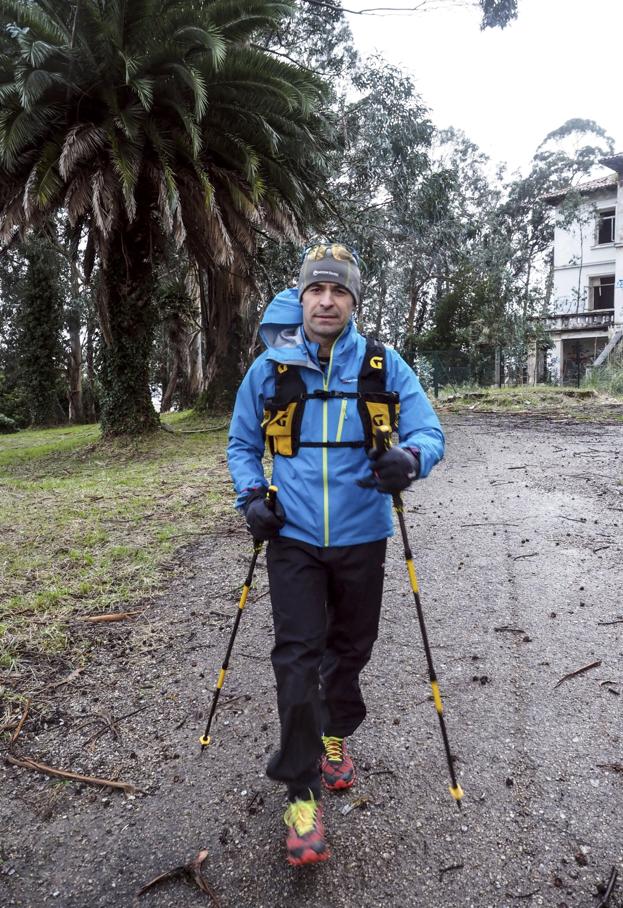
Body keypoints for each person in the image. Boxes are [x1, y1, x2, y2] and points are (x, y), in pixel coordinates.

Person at [227, 243, 445, 866]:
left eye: (338, 291)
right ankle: (300, 789)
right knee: (296, 657)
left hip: (361, 535)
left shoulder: (382, 363)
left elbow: (430, 433)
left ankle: (334, 734)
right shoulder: (270, 369)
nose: (327, 300)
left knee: (351, 648)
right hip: (292, 537)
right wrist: (251, 498)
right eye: (316, 290)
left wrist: (410, 460)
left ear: (353, 301)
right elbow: (243, 443)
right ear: (301, 298)